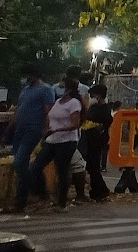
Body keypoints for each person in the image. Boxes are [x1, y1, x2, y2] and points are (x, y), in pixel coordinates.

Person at [25, 79, 84, 210]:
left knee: (62, 171)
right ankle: (43, 194)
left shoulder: (74, 103)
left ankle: (61, 203)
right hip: (51, 140)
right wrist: (46, 132)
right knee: (35, 167)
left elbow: (75, 124)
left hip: (66, 142)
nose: (59, 89)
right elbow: (49, 117)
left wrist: (57, 130)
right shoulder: (58, 102)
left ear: (68, 90)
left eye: (62, 87)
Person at [10, 68, 56, 212]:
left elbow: (49, 111)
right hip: (20, 129)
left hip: (33, 129)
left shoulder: (46, 90)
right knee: (20, 164)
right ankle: (26, 197)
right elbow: (19, 109)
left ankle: (33, 192)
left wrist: (46, 130)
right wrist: (9, 129)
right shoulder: (25, 90)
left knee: (19, 163)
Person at [79, 83, 114, 202]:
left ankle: (100, 190)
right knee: (91, 165)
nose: (91, 97)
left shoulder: (104, 108)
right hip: (89, 138)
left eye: (93, 95)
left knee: (93, 165)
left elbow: (107, 122)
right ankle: (98, 189)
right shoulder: (93, 108)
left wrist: (99, 127)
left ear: (99, 96)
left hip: (97, 140)